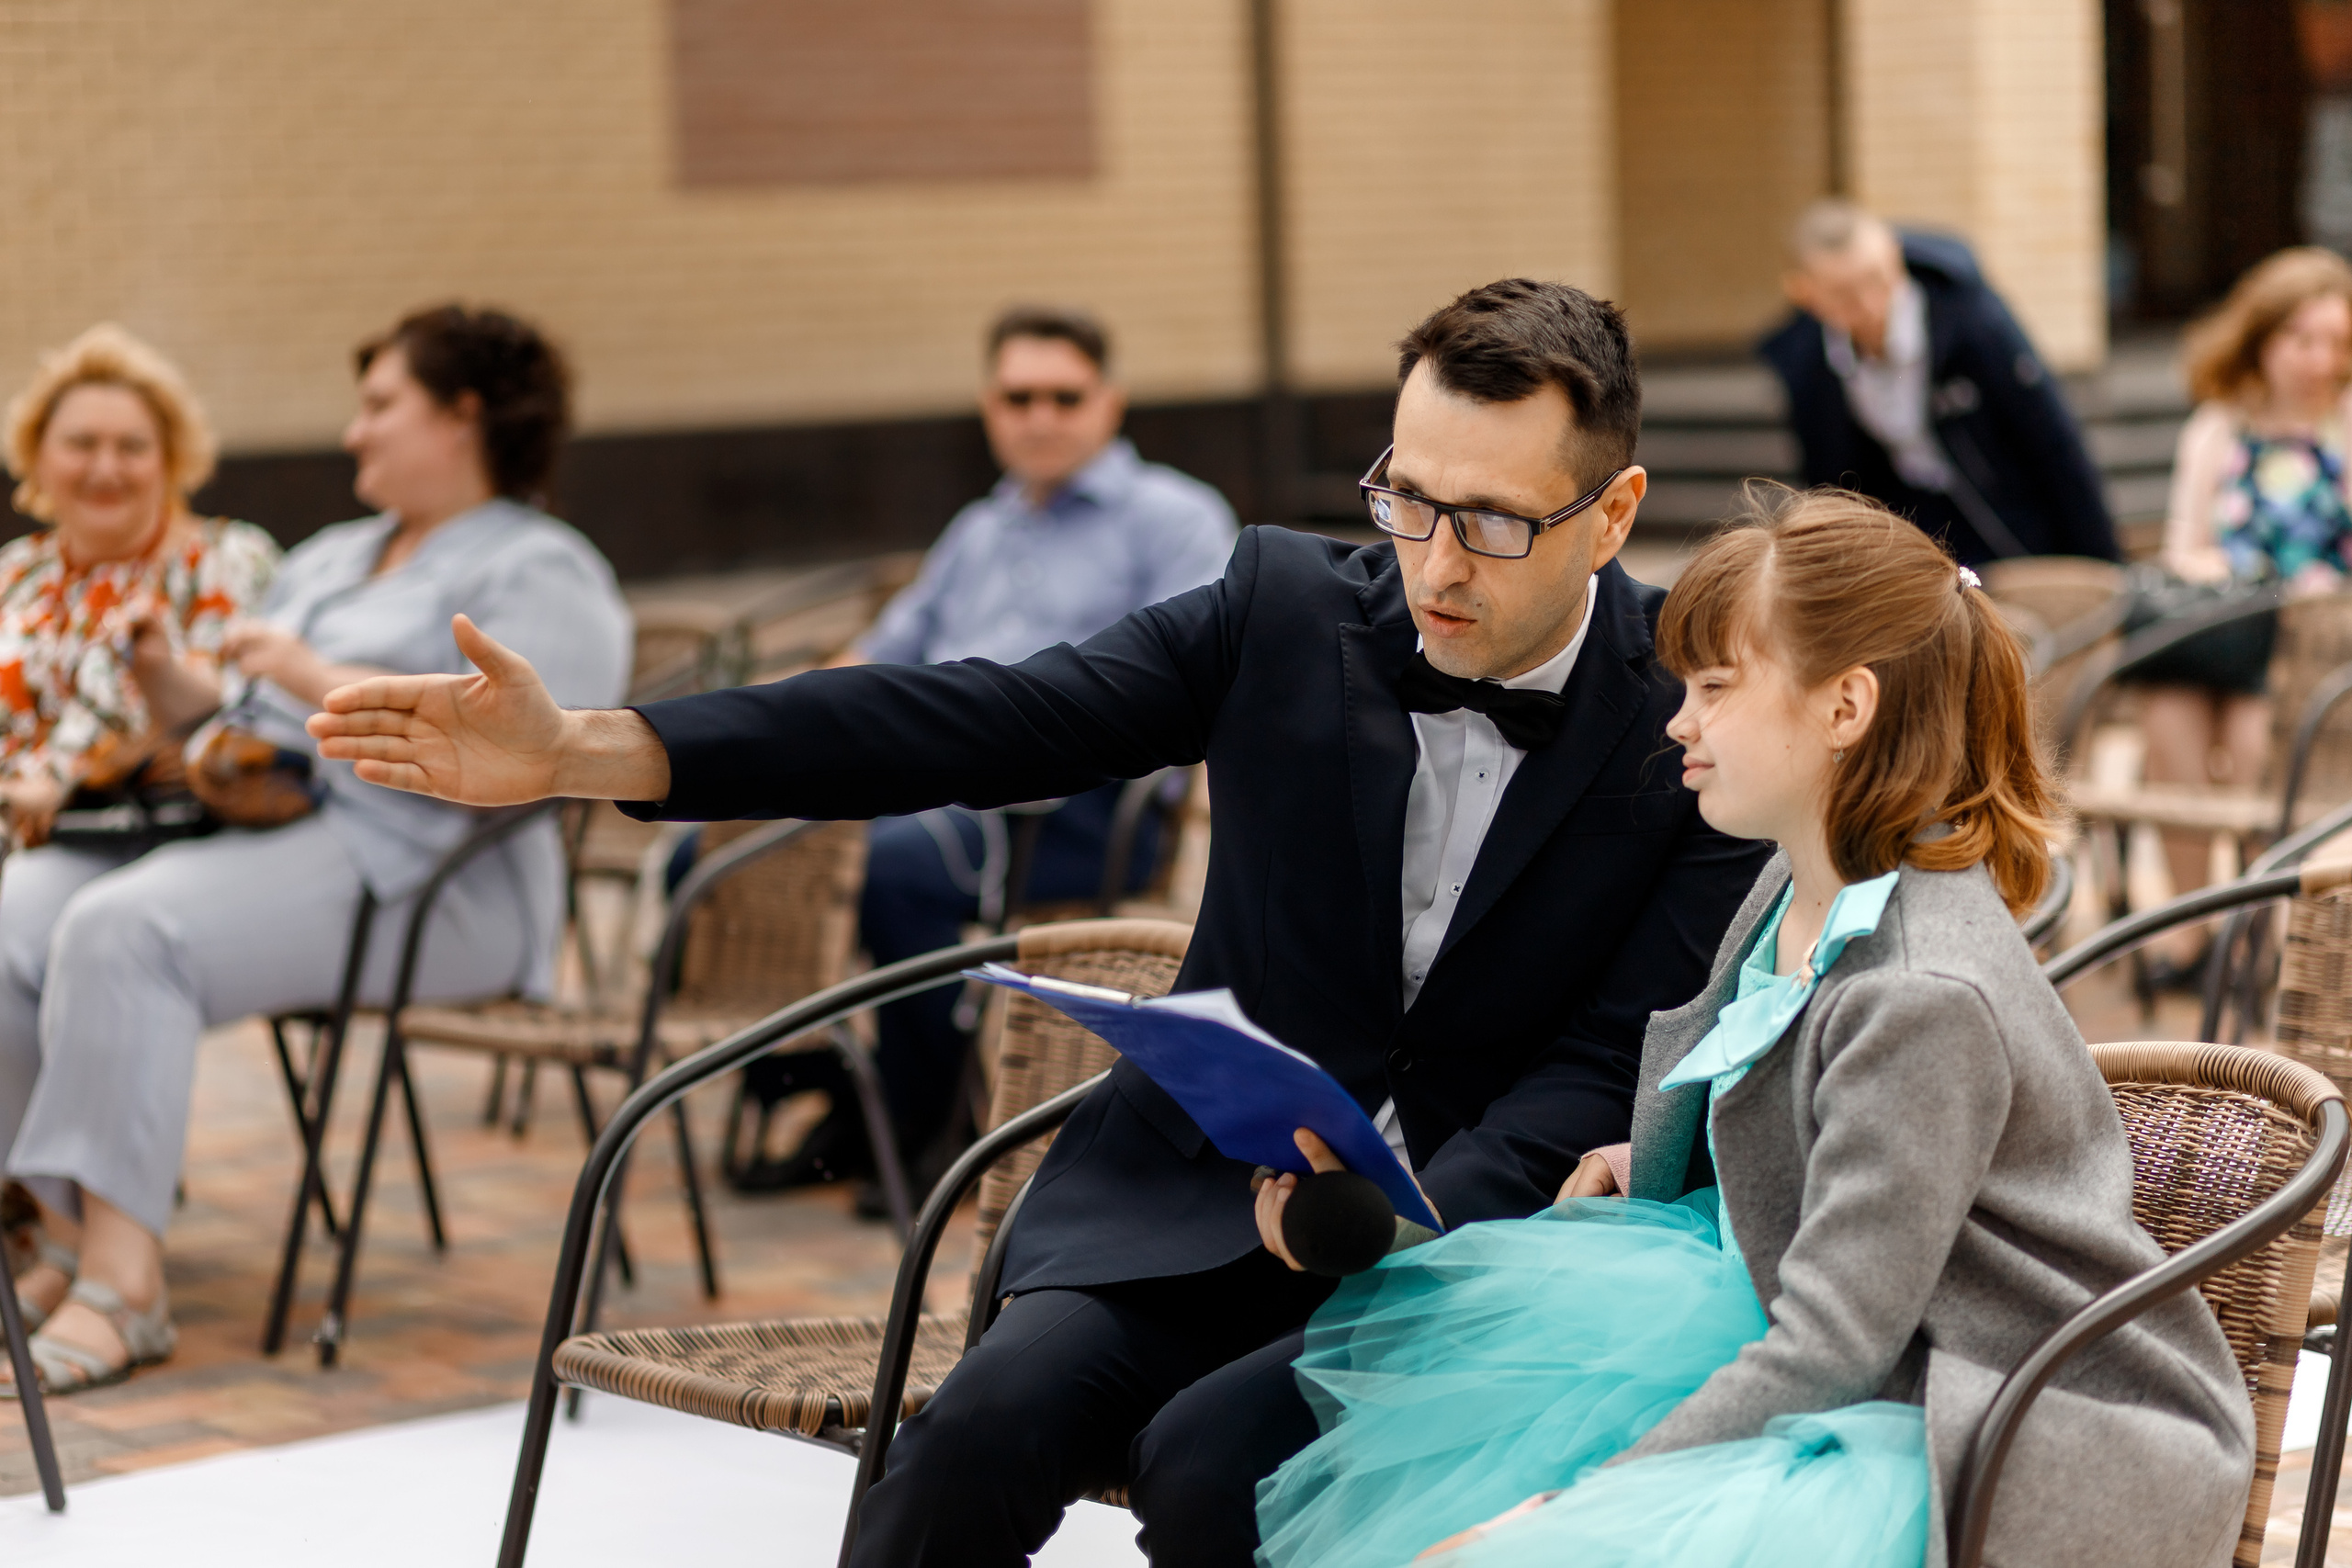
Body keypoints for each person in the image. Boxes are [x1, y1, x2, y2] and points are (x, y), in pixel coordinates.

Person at [309, 277, 1771, 1567]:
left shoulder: (1692, 721)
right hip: (1181, 1204)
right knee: (975, 1430)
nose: (1437, 565)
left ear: (1616, 514)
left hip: (1465, 1250)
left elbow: (1608, 1058)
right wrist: (594, 749)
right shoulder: (1283, 610)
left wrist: (1402, 1219)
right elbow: (981, 718)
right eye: (1410, 498)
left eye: (1498, 522)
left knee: (1215, 1477)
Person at [1250, 491, 2251, 1568]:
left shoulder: (1919, 992)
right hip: (1864, 1330)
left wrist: (1580, 1506)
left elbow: (1832, 1345)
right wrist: (1671, 1155)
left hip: (2009, 1414)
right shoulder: (1795, 878)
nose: (1678, 720)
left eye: (1716, 687)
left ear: (1844, 707)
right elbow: (1821, 1135)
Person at [0, 305, 631, 1395]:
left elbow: (544, 754)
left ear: (462, 417)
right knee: (20, 912)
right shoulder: (340, 554)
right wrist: (177, 689)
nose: (354, 433)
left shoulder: (546, 569)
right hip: (273, 832)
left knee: (125, 928)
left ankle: (124, 1288)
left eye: (380, 404)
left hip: (437, 880)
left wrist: (301, 674)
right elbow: (243, 723)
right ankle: (53, 1226)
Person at [758, 304, 1236, 1198]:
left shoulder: (1171, 518)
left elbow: (1191, 686)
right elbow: (876, 654)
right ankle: (835, 1089)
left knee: (891, 868)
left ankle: (919, 1125)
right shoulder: (981, 528)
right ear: (989, 406)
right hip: (938, 789)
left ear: (1111, 402)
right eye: (1019, 397)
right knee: (735, 851)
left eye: (1065, 395)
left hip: (1081, 803)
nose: (1040, 417)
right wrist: (778, 731)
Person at [2138, 247, 2352, 971]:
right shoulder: (2219, 428)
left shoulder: (2347, 426)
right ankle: (2192, 925)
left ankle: (2263, 933)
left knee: (2257, 729)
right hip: (2228, 632)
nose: (2320, 359)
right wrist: (2229, 572)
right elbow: (2182, 547)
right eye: (2303, 339)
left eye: (2335, 341)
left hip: (2312, 652)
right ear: (2262, 338)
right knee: (2167, 711)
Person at [0, 323, 280, 844]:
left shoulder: (228, 560)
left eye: (131, 447)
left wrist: (66, 780)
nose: (105, 467)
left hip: (122, 839)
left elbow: (242, 714)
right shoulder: (14, 572)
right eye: (81, 444)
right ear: (38, 456)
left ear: (169, 460)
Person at [1761, 198, 2119, 565]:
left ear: (1896, 257)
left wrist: (2105, 564)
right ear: (1804, 293)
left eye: (1877, 279)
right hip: (1899, 528)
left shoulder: (1971, 320)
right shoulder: (1803, 361)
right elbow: (1827, 485)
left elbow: (2053, 442)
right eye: (1844, 295)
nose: (1870, 305)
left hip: (2000, 517)